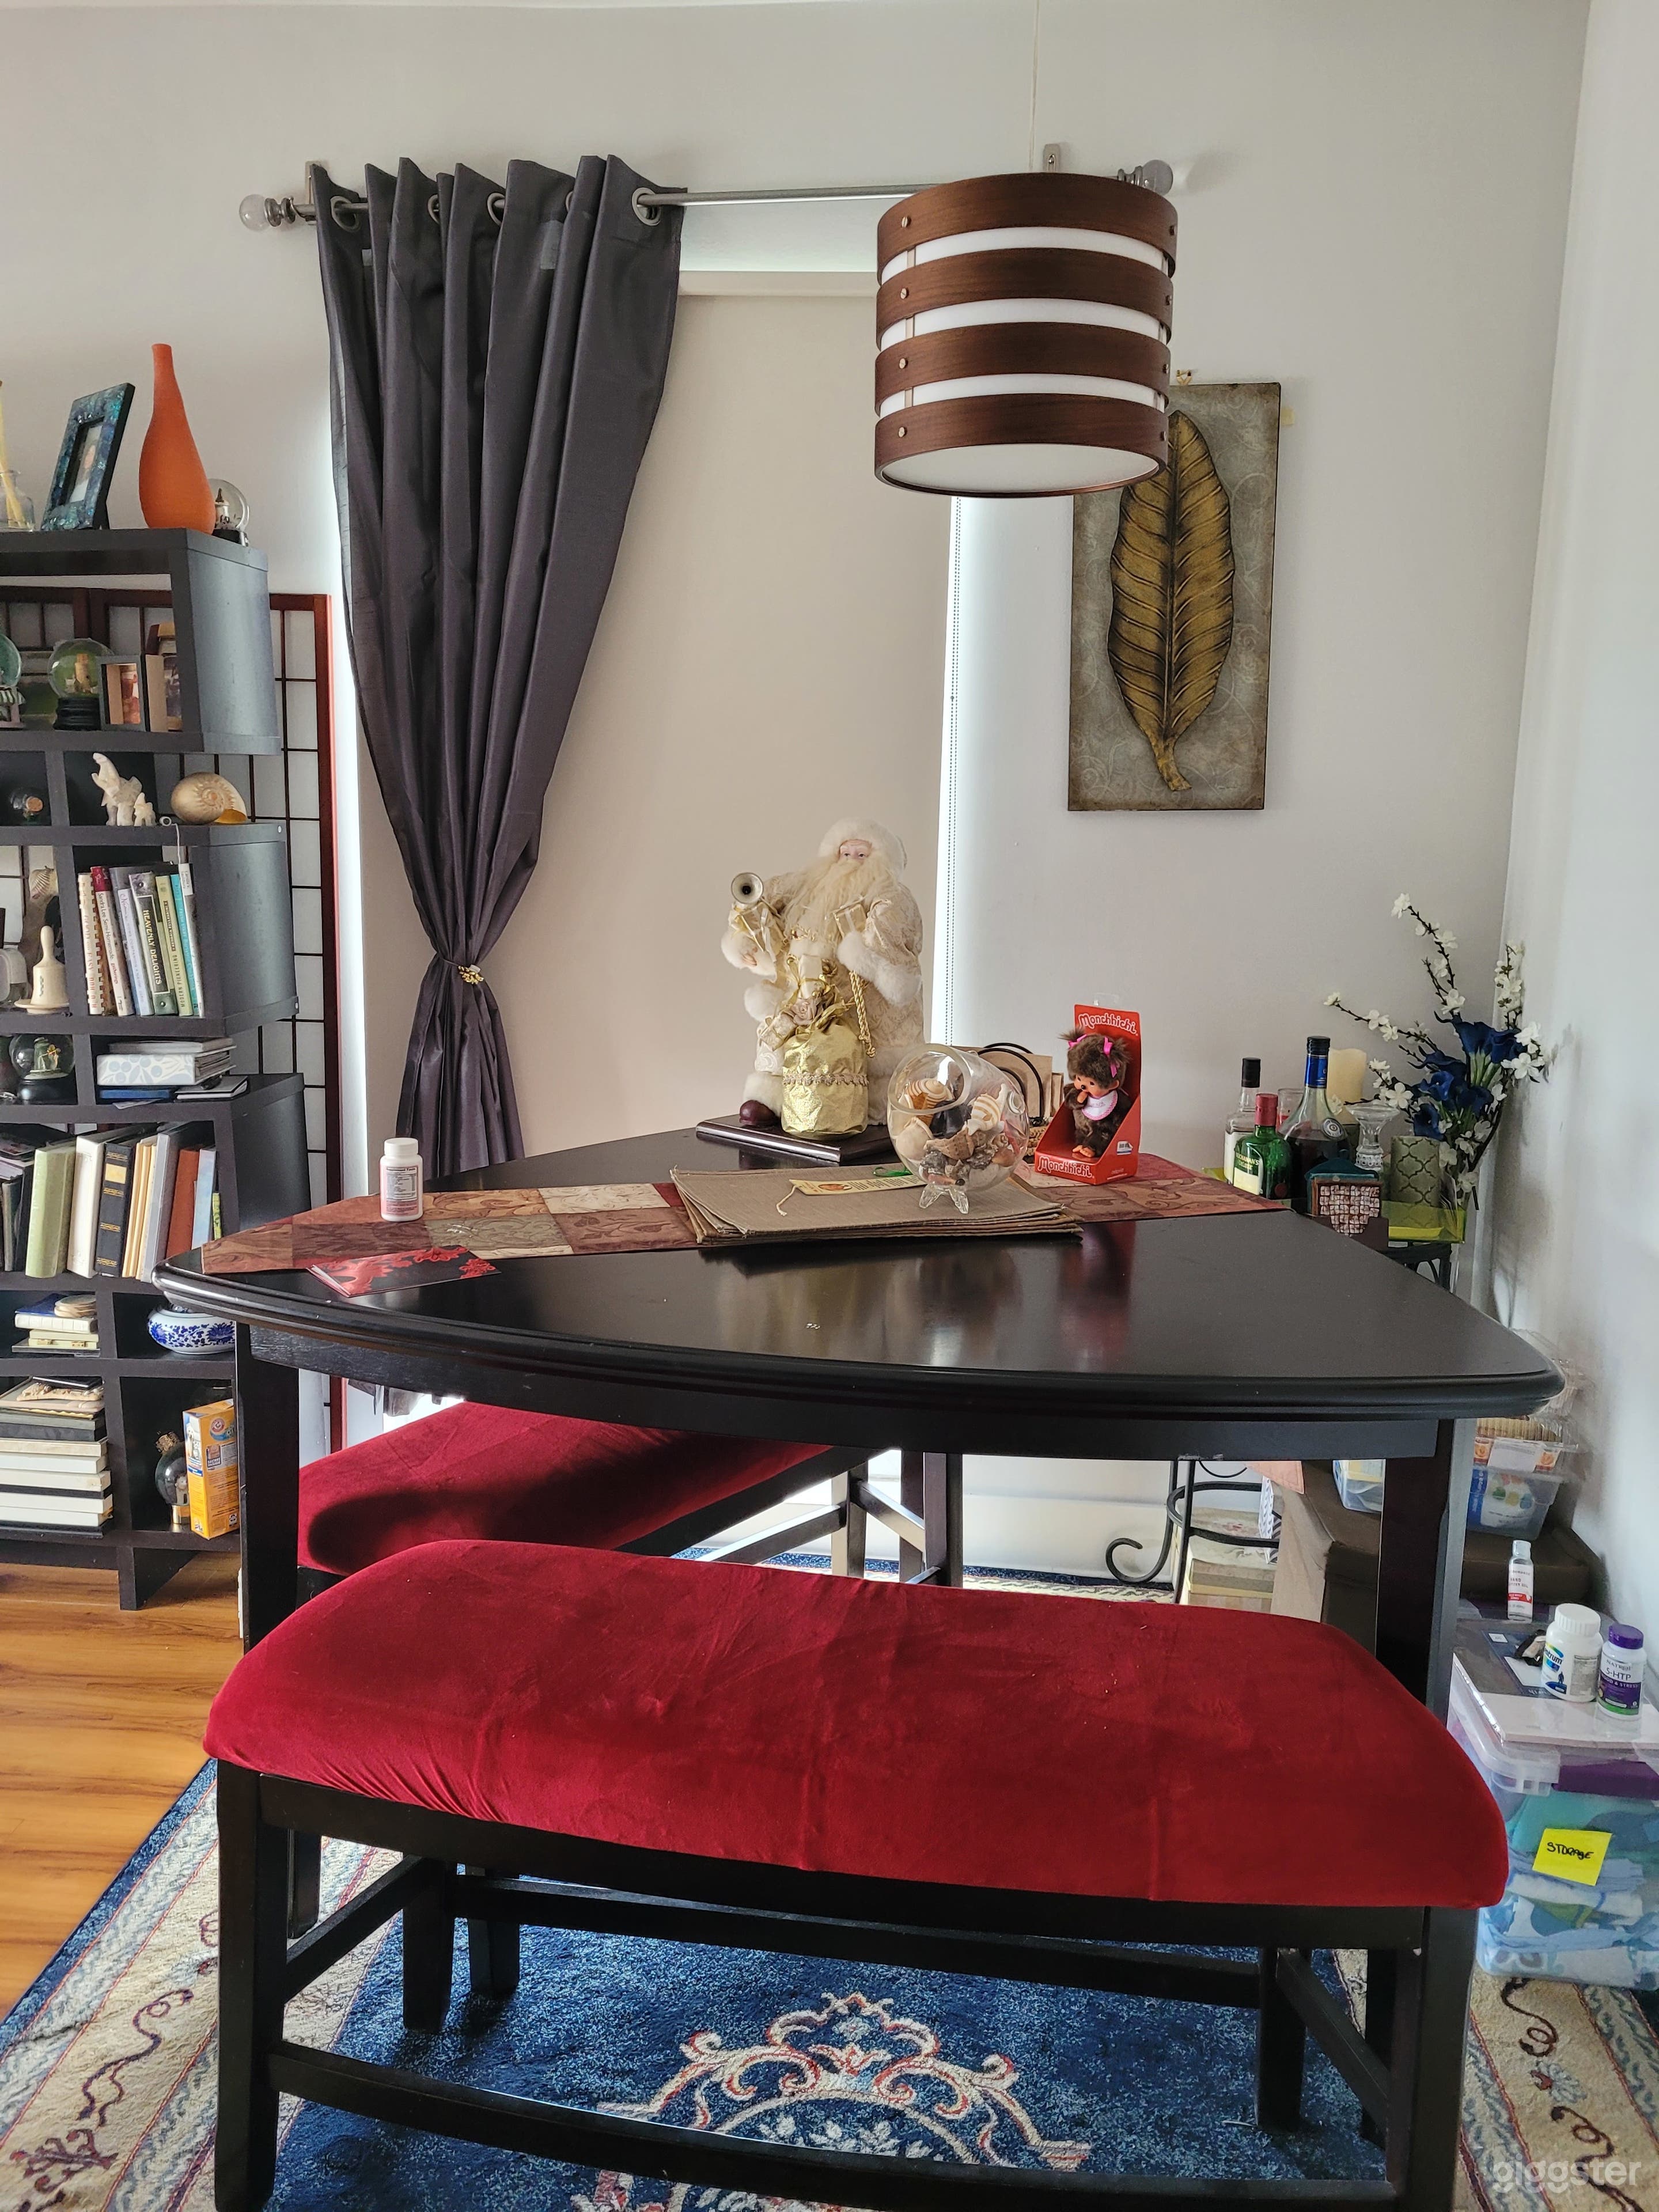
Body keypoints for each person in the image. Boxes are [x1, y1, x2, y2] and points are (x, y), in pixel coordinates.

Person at [722, 819, 925, 1124]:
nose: (851, 862)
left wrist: (863, 954)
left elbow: (893, 931)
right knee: (784, 1034)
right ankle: (774, 1096)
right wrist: (748, 939)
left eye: (861, 856)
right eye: (845, 854)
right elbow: (762, 900)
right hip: (799, 985)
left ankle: (869, 1103)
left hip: (855, 992)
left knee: (862, 1048)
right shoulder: (807, 885)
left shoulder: (891, 894)